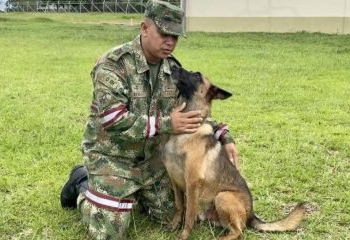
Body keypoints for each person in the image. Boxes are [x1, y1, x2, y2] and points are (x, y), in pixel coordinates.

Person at [60, 1, 239, 239]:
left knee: (174, 214)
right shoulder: (114, 64)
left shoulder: (173, 70)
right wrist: (166, 124)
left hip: (153, 162)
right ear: (144, 28)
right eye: (165, 34)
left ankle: (131, 195)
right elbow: (114, 120)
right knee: (110, 231)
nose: (171, 42)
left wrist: (224, 135)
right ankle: (82, 182)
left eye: (175, 36)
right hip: (114, 158)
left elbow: (192, 113)